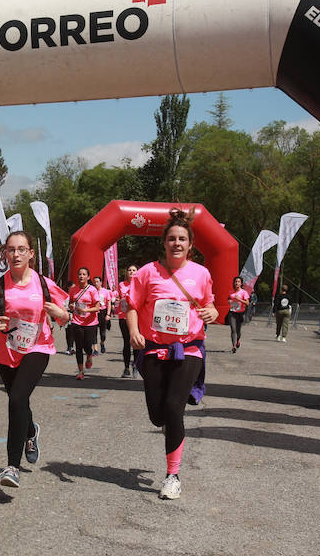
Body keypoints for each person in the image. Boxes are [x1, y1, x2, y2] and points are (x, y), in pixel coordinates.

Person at [127, 208, 218, 500]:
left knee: (174, 406)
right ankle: (169, 424)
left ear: (190, 245)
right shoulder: (146, 273)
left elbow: (211, 307)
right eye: (171, 239)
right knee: (158, 415)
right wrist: (133, 332)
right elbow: (131, 306)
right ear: (164, 243)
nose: (176, 243)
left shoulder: (201, 273)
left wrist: (212, 312)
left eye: (182, 239)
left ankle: (172, 476)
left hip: (188, 348)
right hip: (153, 348)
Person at [0, 231, 69, 488]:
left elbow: (65, 317)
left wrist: (60, 312)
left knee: (17, 399)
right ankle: (30, 431)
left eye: (21, 249)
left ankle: (12, 466)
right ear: (5, 254)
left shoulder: (44, 284)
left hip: (38, 347)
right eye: (11, 249)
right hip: (6, 350)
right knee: (19, 400)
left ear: (30, 254)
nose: (15, 254)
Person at [68, 268, 100, 380]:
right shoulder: (73, 290)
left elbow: (97, 307)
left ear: (88, 277)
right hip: (76, 321)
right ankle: (81, 371)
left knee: (87, 345)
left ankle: (89, 354)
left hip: (90, 323)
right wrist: (71, 307)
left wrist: (85, 311)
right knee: (78, 347)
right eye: (79, 274)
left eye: (84, 274)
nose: (81, 276)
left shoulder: (92, 290)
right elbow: (70, 303)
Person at [115, 265, 138, 378]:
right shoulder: (121, 285)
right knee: (126, 342)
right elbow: (118, 297)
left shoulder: (140, 284)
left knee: (136, 342)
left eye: (134, 270)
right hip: (123, 316)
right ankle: (126, 368)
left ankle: (136, 365)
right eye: (129, 270)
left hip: (137, 317)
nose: (131, 272)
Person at [227, 276, 250, 353]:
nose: (237, 283)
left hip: (241, 313)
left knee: (238, 331)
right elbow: (229, 299)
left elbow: (247, 303)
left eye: (238, 282)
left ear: (241, 283)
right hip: (232, 313)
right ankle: (233, 346)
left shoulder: (244, 292)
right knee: (233, 330)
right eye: (236, 281)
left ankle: (238, 340)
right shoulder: (231, 292)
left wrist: (239, 299)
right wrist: (230, 301)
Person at [92, 276, 112, 355]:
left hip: (103, 312)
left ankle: (102, 343)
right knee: (94, 332)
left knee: (103, 334)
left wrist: (108, 314)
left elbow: (109, 303)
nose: (96, 283)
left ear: (100, 282)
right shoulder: (92, 291)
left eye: (97, 282)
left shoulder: (106, 291)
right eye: (95, 282)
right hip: (94, 312)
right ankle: (95, 350)